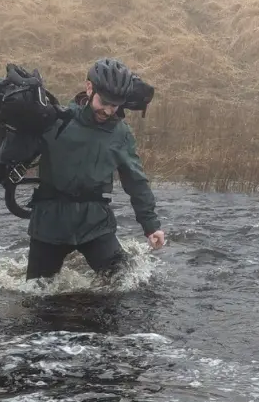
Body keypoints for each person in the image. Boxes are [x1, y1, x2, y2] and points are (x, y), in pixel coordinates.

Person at [25, 57, 166, 281]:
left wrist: (151, 225)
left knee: (126, 284)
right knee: (36, 296)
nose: (109, 110)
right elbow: (17, 155)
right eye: (105, 102)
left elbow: (135, 181)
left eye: (115, 105)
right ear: (89, 88)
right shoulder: (56, 120)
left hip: (95, 224)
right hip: (50, 223)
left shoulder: (121, 134)